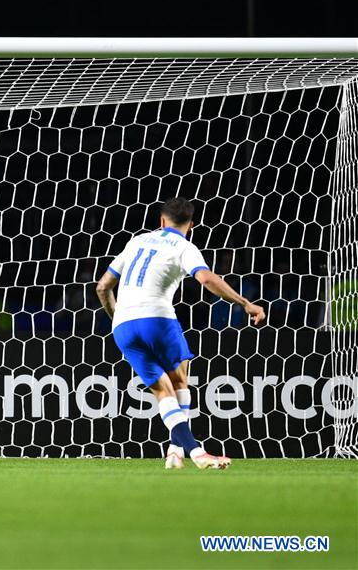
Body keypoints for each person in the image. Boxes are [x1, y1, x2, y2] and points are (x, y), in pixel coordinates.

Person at [95, 197, 266, 470]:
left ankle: (177, 454)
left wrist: (119, 318)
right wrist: (245, 303)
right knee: (179, 381)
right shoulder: (184, 246)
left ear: (161, 221)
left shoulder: (136, 241)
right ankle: (191, 451)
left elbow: (103, 287)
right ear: (192, 225)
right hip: (157, 318)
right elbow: (207, 278)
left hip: (123, 326)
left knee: (162, 391)